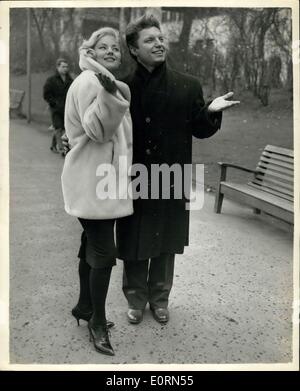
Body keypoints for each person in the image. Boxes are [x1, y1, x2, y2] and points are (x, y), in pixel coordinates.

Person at [115, 14, 240, 325]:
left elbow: (199, 129)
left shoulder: (188, 85)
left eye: (160, 38)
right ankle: (134, 297)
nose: (159, 43)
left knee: (164, 237)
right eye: (149, 40)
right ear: (133, 49)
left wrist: (209, 110)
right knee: (132, 236)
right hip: (133, 176)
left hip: (171, 176)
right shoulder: (122, 88)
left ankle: (159, 297)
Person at [61, 27, 133, 356]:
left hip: (93, 180)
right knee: (104, 253)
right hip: (95, 183)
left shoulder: (97, 81)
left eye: (115, 48)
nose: (110, 52)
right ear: (88, 52)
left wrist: (112, 91)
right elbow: (98, 131)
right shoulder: (93, 82)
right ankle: (98, 322)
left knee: (91, 244)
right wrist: (110, 95)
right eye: (102, 47)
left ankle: (84, 307)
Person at [43, 58, 73, 154]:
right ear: (58, 67)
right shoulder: (51, 80)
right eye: (63, 67)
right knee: (58, 127)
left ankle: (53, 145)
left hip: (67, 108)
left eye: (66, 67)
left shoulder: (70, 80)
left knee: (63, 127)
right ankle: (61, 149)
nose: (65, 69)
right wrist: (53, 102)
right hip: (55, 108)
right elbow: (46, 94)